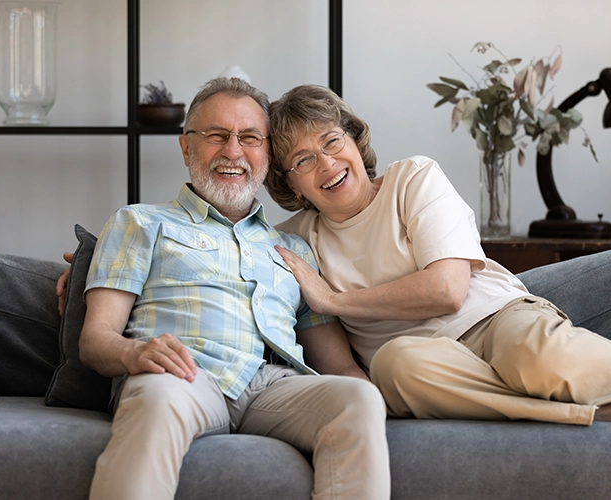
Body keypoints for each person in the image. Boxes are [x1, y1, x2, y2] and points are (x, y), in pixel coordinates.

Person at [263, 83, 611, 426]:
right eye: (302, 160)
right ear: (289, 183)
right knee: (394, 366)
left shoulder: (412, 179)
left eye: (331, 142)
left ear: (352, 140)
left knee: (536, 359)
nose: (325, 164)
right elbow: (340, 363)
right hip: (426, 362)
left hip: (494, 319)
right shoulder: (294, 241)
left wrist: (334, 300)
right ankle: (607, 412)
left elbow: (447, 290)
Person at [66, 77, 390, 500]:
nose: (233, 151)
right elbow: (95, 341)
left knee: (357, 399)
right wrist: (135, 352)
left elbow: (338, 364)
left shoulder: (293, 248)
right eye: (216, 135)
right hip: (178, 375)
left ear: (268, 152)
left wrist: (375, 393)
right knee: (157, 401)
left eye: (250, 137)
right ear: (186, 148)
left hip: (269, 386)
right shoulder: (140, 223)